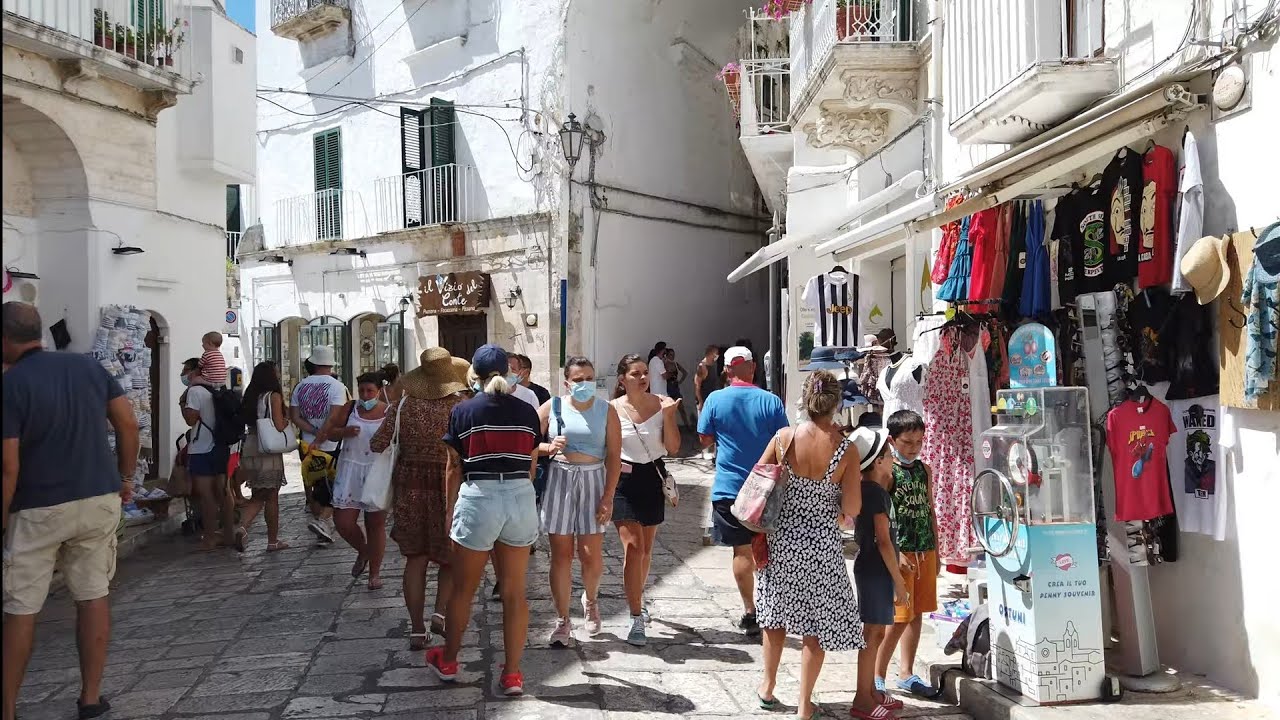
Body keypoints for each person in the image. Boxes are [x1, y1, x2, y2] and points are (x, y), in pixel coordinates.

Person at [2, 302, 139, 720]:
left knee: (22, 606)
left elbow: (8, 466)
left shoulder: (10, 385)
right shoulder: (88, 367)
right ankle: (90, 698)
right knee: (93, 595)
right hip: (97, 496)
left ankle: (7, 709)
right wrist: (126, 478)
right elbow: (127, 424)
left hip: (38, 505)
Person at [427, 345, 539, 697]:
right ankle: (513, 674)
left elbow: (454, 466)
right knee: (514, 592)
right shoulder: (527, 410)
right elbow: (532, 462)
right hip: (519, 495)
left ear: (473, 375)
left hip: (480, 496)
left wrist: (450, 510)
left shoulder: (463, 411)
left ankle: (449, 660)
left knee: (463, 589)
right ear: (508, 372)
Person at [753, 370, 864, 720]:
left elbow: (757, 482)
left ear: (805, 399)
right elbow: (852, 508)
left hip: (782, 540)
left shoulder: (783, 439)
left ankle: (768, 687)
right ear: (837, 403)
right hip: (822, 547)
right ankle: (804, 705)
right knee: (815, 628)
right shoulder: (846, 450)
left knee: (775, 617)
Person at [372, 349, 469, 649]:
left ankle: (416, 629)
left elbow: (378, 443)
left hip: (410, 487)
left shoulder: (403, 406)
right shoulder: (460, 407)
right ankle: (440, 613)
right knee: (449, 555)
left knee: (415, 559)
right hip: (448, 486)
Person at [697, 346, 789, 636]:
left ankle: (750, 611)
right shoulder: (771, 401)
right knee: (770, 551)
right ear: (752, 367)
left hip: (729, 489)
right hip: (766, 489)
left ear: (726, 370)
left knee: (741, 551)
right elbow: (784, 442)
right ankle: (774, 609)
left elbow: (704, 439)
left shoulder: (715, 399)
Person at [534, 357, 621, 647]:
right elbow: (526, 442)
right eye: (579, 379)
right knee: (560, 555)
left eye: (589, 378)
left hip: (593, 480)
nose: (585, 384)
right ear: (567, 382)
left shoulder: (606, 410)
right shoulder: (553, 406)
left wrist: (608, 496)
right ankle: (562, 619)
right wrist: (548, 447)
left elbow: (614, 456)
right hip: (560, 478)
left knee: (590, 554)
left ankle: (591, 600)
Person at [611, 354, 681, 646]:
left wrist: (669, 415)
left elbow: (673, 447)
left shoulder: (662, 404)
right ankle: (636, 616)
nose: (642, 378)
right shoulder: (612, 409)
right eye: (635, 374)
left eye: (644, 373)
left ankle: (637, 597)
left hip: (653, 477)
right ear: (622, 379)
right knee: (634, 548)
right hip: (623, 480)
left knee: (647, 550)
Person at [873, 410, 939, 699]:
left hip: (925, 550)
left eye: (919, 442)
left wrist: (937, 549)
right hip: (901, 554)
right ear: (892, 441)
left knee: (917, 613)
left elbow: (930, 509)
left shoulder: (925, 471)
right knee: (899, 616)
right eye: (907, 442)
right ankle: (877, 675)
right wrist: (894, 553)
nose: (914, 448)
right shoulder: (887, 474)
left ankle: (906, 672)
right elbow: (879, 518)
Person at [851, 426, 909, 720]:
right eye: (888, 453)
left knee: (876, 632)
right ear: (878, 462)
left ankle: (870, 691)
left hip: (876, 568)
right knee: (872, 633)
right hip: (876, 570)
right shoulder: (874, 493)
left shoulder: (872, 490)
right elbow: (883, 541)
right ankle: (862, 697)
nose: (893, 457)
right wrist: (899, 582)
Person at [315, 372, 389, 590]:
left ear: (379, 391)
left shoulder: (389, 411)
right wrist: (343, 431)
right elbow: (330, 432)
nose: (365, 395)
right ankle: (364, 551)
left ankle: (375, 573)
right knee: (343, 522)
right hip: (350, 469)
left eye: (370, 391)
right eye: (362, 390)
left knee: (375, 524)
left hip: (377, 471)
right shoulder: (350, 408)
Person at [291, 347, 349, 543]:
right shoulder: (337, 387)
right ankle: (323, 522)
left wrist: (314, 433)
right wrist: (323, 435)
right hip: (331, 445)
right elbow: (334, 417)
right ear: (330, 364)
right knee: (337, 486)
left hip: (307, 445)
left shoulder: (300, 386)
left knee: (316, 488)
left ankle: (321, 525)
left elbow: (295, 416)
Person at [235, 361, 291, 552]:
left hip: (251, 445)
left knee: (258, 495)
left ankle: (242, 527)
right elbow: (279, 425)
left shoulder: (251, 395)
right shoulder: (273, 396)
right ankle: (272, 540)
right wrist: (288, 420)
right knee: (272, 496)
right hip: (267, 448)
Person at [181, 358, 235, 551]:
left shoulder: (195, 391)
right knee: (224, 492)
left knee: (206, 495)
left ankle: (210, 537)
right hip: (220, 446)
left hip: (202, 448)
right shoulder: (216, 389)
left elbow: (190, 420)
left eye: (186, 370)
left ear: (196, 371)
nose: (184, 375)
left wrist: (183, 404)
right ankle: (228, 534)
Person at [693, 345, 722, 461]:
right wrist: (700, 401)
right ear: (710, 353)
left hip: (712, 400)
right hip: (704, 401)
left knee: (713, 426)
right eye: (715, 353)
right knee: (704, 427)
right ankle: (704, 451)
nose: (716, 356)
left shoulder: (712, 366)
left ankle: (712, 452)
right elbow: (697, 385)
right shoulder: (702, 367)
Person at [662, 348, 692, 429]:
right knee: (669, 409)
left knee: (681, 408)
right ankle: (670, 428)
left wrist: (679, 382)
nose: (672, 356)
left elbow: (685, 373)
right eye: (671, 355)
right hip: (668, 387)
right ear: (667, 355)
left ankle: (687, 426)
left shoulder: (675, 364)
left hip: (675, 387)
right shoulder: (664, 364)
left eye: (673, 355)